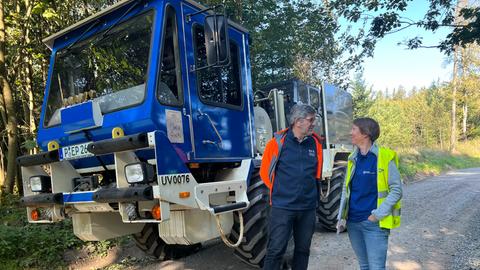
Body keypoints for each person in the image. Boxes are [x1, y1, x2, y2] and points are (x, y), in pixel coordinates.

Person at [260, 104, 323, 270]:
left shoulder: (315, 143)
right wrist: (282, 193)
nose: (314, 123)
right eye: (311, 120)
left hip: (307, 208)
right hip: (283, 208)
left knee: (303, 250)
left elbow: (317, 173)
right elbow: (265, 173)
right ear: (298, 121)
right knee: (275, 250)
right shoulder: (276, 143)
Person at [337, 117, 402, 270]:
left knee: (376, 268)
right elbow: (346, 191)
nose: (350, 132)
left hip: (374, 223)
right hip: (353, 223)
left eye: (353, 129)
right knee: (364, 266)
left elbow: (396, 190)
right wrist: (341, 217)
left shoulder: (385, 157)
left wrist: (378, 214)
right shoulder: (352, 158)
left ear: (365, 134)